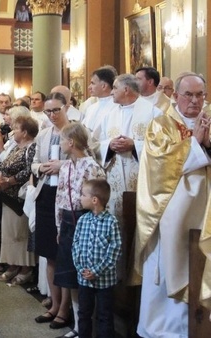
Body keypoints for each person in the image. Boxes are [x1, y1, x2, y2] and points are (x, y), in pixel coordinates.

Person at [134, 73, 211, 337]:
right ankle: (164, 330)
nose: (194, 100)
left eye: (200, 94)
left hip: (207, 211)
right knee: (170, 267)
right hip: (171, 212)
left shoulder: (209, 121)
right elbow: (160, 167)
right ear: (175, 96)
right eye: (188, 94)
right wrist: (196, 144)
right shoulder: (161, 125)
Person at [54, 122, 106, 337]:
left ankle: (88, 325)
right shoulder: (66, 166)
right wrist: (59, 225)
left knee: (85, 275)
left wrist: (96, 225)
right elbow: (60, 196)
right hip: (67, 221)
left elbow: (98, 199)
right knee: (70, 276)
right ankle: (77, 325)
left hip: (85, 222)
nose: (60, 144)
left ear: (71, 141)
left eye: (63, 140)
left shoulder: (91, 166)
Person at [92, 74, 161, 224]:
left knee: (137, 226)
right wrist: (109, 145)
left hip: (142, 178)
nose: (111, 92)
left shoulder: (154, 113)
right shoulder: (109, 114)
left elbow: (161, 146)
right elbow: (94, 142)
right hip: (113, 179)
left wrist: (135, 145)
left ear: (126, 89)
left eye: (115, 88)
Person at [31, 92, 71, 329]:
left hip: (66, 196)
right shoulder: (44, 134)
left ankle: (65, 309)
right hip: (45, 194)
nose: (52, 115)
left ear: (66, 108)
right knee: (48, 252)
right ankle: (54, 304)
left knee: (63, 253)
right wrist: (41, 167)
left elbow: (87, 158)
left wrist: (61, 165)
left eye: (56, 110)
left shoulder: (75, 131)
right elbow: (34, 161)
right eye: (48, 111)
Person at [72, 179, 122, 338]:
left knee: (104, 315)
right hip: (84, 279)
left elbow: (115, 250)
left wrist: (96, 271)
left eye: (83, 194)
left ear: (94, 200)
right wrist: (81, 269)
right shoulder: (82, 220)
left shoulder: (111, 222)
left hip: (104, 280)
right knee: (84, 313)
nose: (80, 197)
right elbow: (76, 245)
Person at [0, 116, 38, 285]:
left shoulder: (31, 147)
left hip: (19, 199)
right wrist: (0, 177)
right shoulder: (15, 146)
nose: (13, 132)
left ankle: (26, 268)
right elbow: (4, 164)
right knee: (10, 233)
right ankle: (12, 265)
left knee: (20, 234)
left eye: (16, 129)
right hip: (7, 197)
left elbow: (29, 170)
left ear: (25, 132)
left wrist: (9, 181)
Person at [82, 67, 119, 133]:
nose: (89, 87)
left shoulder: (117, 108)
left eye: (93, 83)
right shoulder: (91, 108)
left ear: (104, 86)